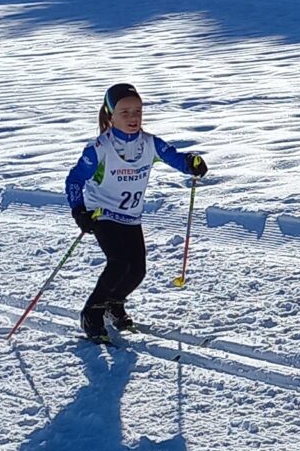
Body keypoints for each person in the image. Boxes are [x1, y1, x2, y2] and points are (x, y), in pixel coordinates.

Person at [63, 84, 207, 341]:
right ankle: (92, 312)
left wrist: (191, 163)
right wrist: (78, 211)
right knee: (119, 262)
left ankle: (114, 304)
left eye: (138, 111)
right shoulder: (99, 148)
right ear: (110, 116)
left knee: (137, 270)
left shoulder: (149, 143)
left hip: (131, 217)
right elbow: (74, 180)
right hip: (102, 213)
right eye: (125, 112)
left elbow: (176, 158)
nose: (133, 117)